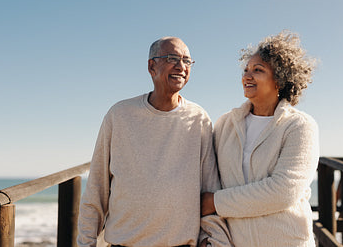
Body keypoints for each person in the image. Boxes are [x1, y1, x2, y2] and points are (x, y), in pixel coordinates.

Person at [78, 37, 231, 247]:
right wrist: (86, 243)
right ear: (152, 66)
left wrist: (213, 241)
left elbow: (210, 188)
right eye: (172, 58)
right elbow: (96, 188)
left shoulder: (199, 119)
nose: (181, 66)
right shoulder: (120, 115)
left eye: (187, 61)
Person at [201, 31, 319, 247]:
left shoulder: (300, 126)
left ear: (280, 79)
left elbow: (284, 191)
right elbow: (211, 181)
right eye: (246, 70)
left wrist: (214, 202)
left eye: (258, 70)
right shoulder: (224, 125)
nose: (247, 76)